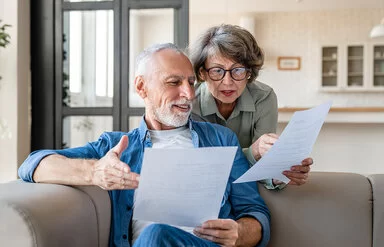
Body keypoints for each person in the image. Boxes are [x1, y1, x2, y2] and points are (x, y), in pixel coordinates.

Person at [18, 43, 270, 247]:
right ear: (142, 87)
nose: (189, 94)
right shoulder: (117, 146)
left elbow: (255, 214)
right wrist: (94, 171)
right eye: (174, 83)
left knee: (158, 235)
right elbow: (32, 165)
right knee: (154, 237)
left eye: (191, 82)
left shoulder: (221, 139)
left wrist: (239, 232)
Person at [189, 24, 312, 189]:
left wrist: (279, 174)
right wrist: (253, 152)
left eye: (238, 70)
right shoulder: (189, 103)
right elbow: (205, 168)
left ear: (249, 72)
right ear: (203, 73)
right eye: (217, 71)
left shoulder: (264, 97)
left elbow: (264, 165)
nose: (228, 82)